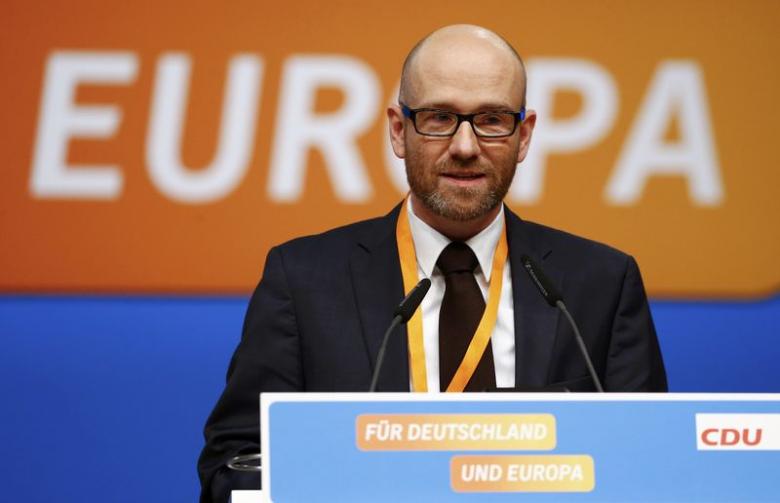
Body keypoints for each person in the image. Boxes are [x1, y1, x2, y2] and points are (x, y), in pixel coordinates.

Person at [198, 24, 667, 502]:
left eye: (492, 119)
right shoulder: (303, 280)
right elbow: (232, 467)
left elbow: (652, 466)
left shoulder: (599, 285)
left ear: (523, 136)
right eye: (440, 118)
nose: (465, 147)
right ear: (399, 131)